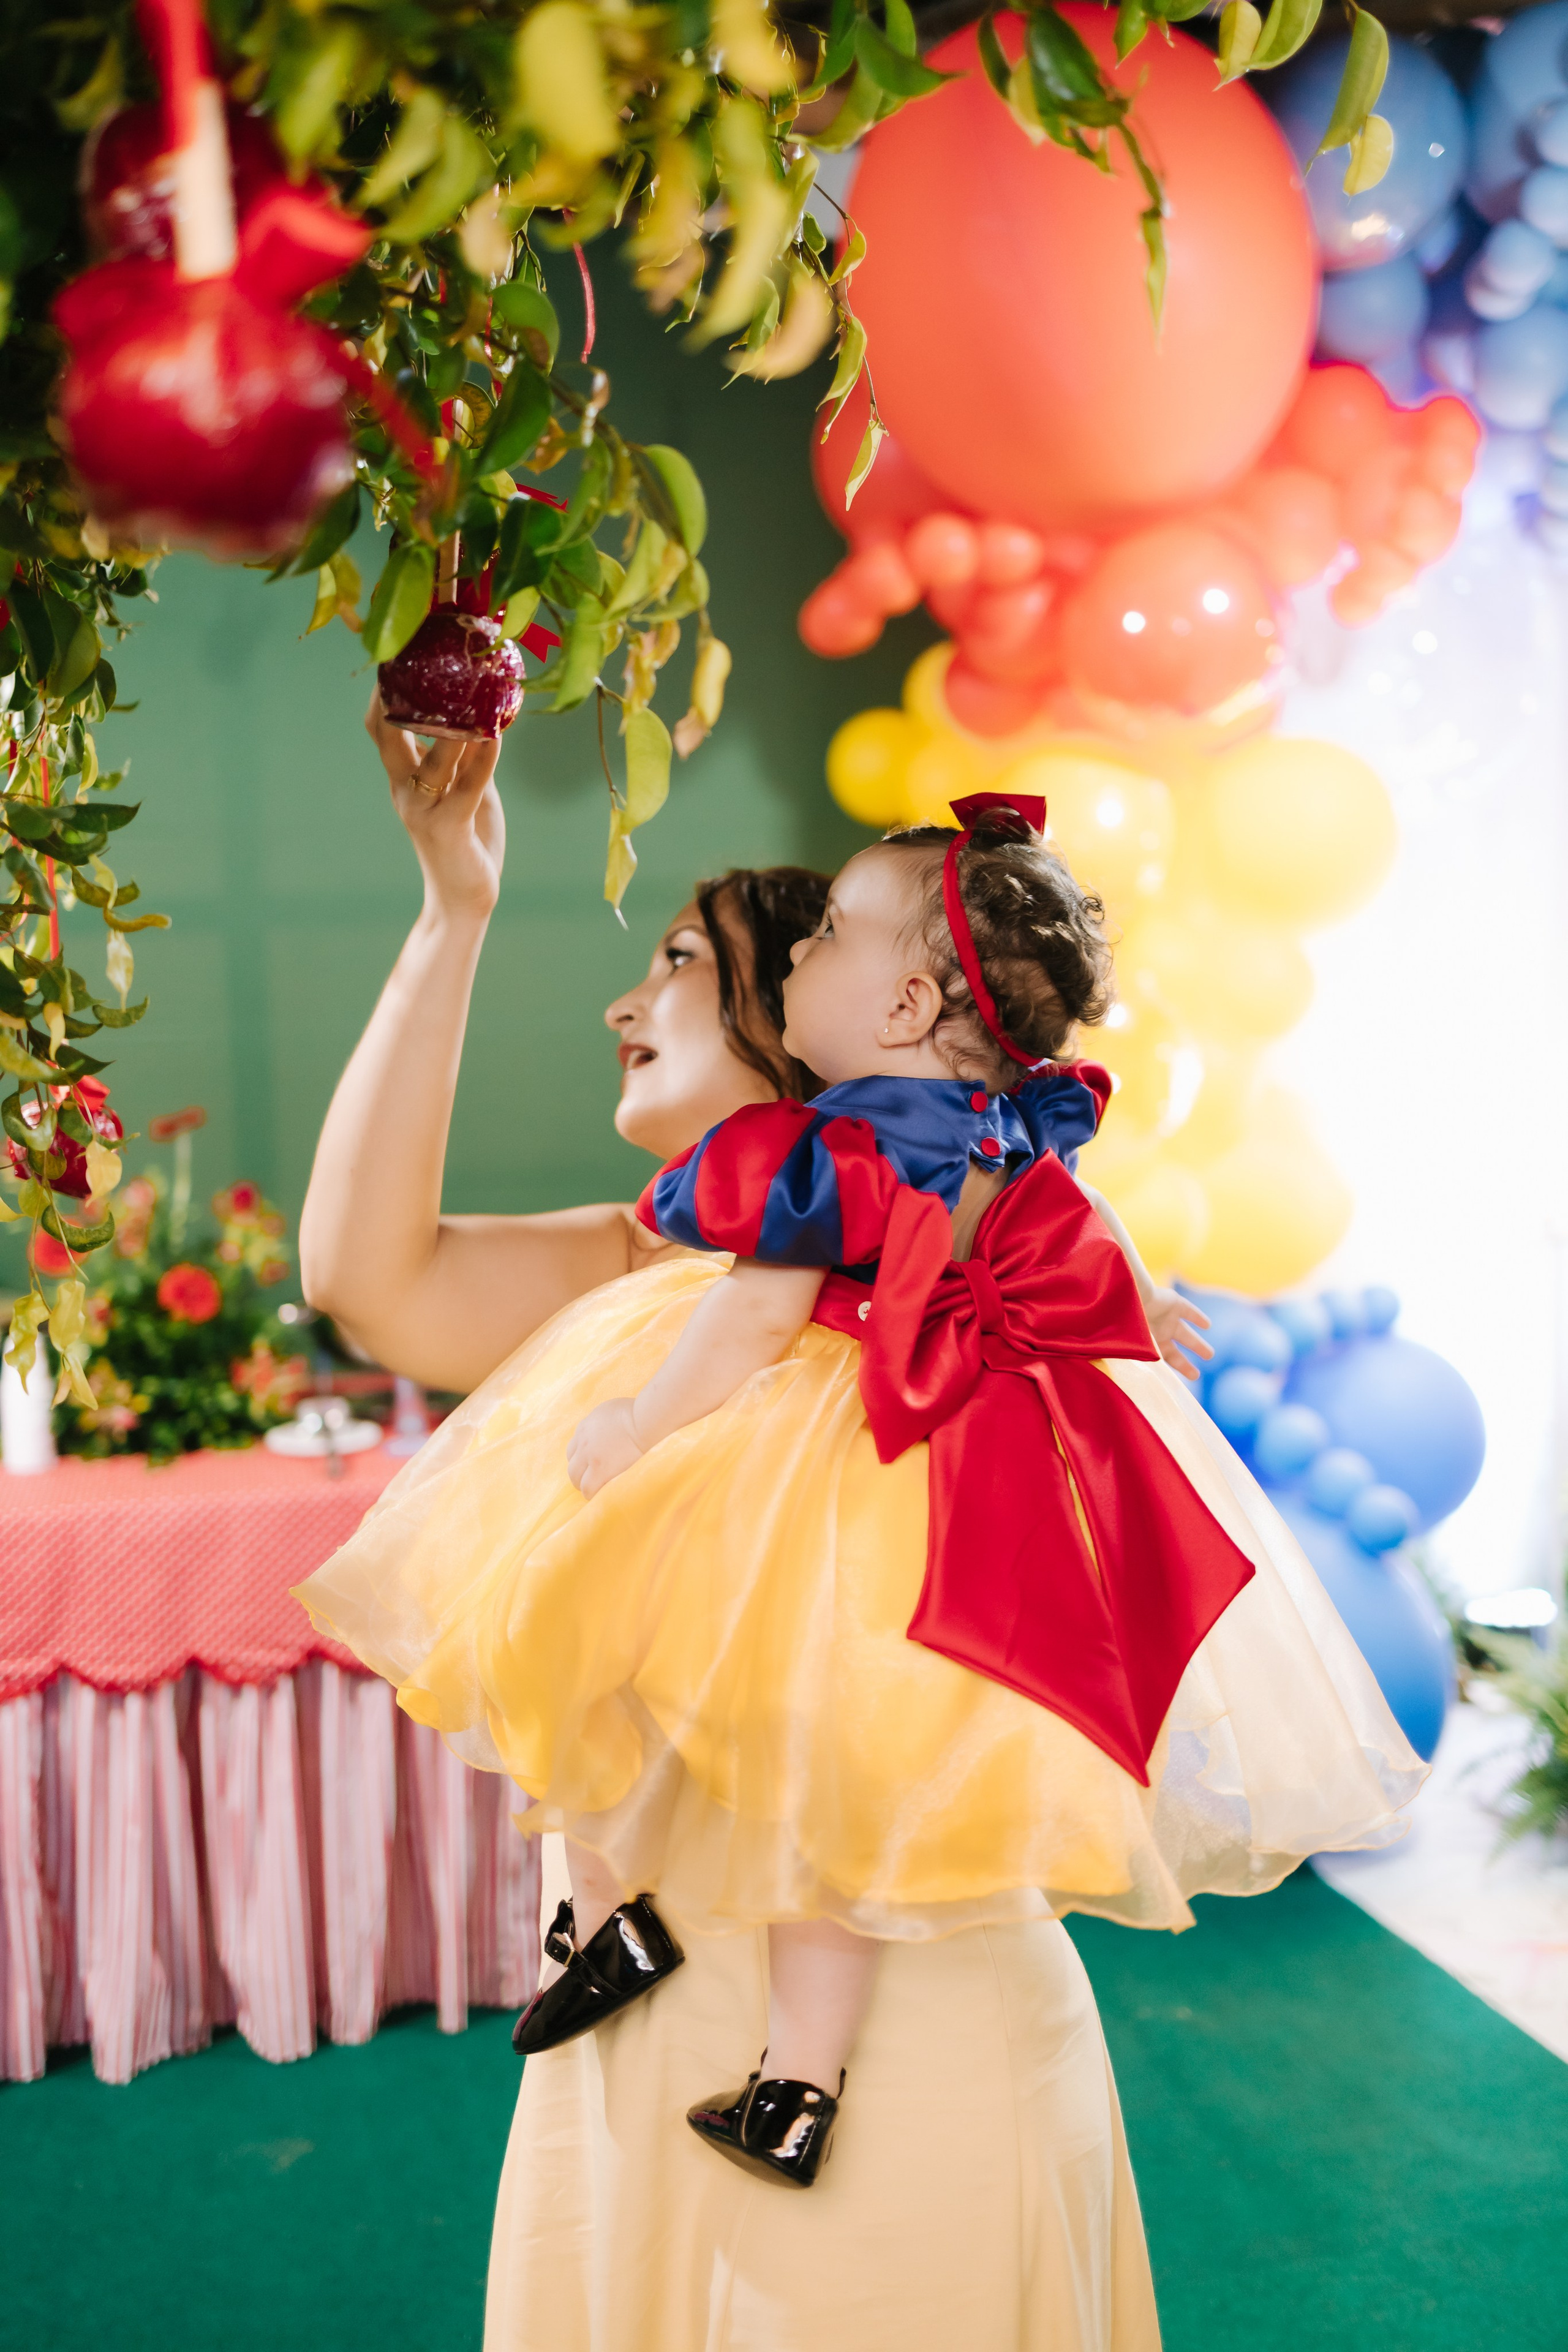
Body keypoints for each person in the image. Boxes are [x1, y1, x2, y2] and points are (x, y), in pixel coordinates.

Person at [300, 736, 1425, 2237]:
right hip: (914, 1498)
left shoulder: (815, 1161)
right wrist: (1136, 1308)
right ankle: (773, 2065)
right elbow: (1070, 1232)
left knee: (573, 1617)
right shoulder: (987, 1139)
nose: (642, 1000)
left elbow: (765, 1313)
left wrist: (640, 1418)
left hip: (834, 1504)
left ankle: (611, 1925)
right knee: (764, 1749)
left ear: (890, 1006)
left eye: (776, 949)